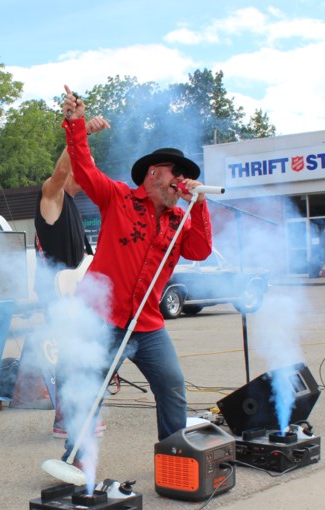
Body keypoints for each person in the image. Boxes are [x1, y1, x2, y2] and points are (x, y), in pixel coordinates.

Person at [55, 85, 212, 467]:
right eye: (179, 174)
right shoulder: (119, 198)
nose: (183, 182)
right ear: (155, 174)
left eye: (188, 177)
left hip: (147, 323)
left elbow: (200, 251)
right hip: (100, 318)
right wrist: (76, 123)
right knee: (87, 389)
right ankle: (75, 457)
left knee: (172, 386)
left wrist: (200, 206)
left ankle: (174, 453)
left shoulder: (181, 220)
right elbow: (85, 170)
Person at [35, 113, 109, 439]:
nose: (84, 171)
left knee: (86, 355)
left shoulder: (76, 207)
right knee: (72, 356)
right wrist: (81, 135)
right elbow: (62, 171)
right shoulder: (52, 197)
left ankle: (81, 412)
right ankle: (68, 419)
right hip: (60, 296)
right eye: (81, 166)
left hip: (77, 295)